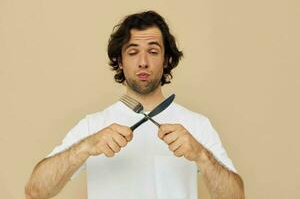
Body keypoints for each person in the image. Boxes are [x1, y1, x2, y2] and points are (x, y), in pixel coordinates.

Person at [25, 11, 244, 199]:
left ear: (167, 59)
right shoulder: (93, 125)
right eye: (132, 52)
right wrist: (86, 146)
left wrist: (201, 155)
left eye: (153, 51)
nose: (142, 62)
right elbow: (35, 191)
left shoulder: (197, 125)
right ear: (120, 61)